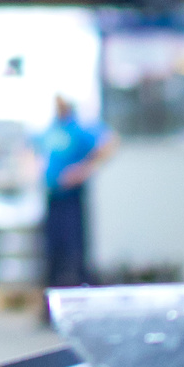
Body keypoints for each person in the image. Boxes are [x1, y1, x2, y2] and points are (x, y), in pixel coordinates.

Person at [33, 94, 112, 292]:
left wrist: (84, 170)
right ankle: (50, 299)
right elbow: (29, 148)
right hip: (53, 196)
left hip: (72, 198)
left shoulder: (79, 129)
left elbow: (110, 143)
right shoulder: (51, 129)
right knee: (52, 251)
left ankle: (77, 293)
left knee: (74, 250)